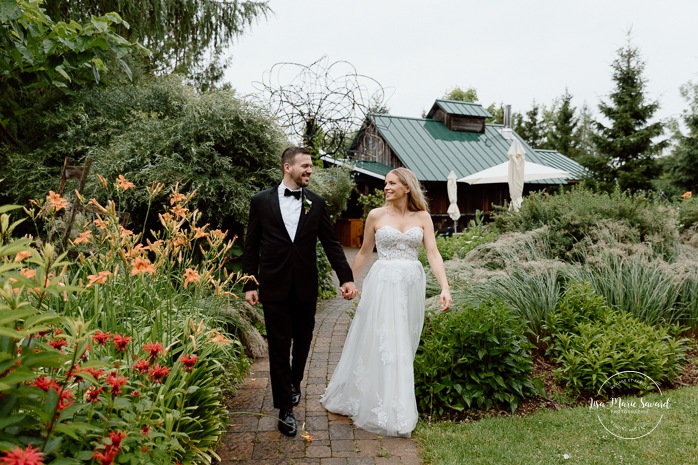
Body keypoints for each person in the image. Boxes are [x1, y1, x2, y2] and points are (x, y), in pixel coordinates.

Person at [320, 167, 452, 437]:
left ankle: (395, 401)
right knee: (385, 340)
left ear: (407, 187)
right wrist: (349, 281)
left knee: (405, 340)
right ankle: (385, 406)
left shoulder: (423, 216)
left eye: (392, 183)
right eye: (385, 184)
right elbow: (365, 252)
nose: (386, 188)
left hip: (411, 284)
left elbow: (433, 253)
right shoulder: (375, 215)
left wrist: (445, 287)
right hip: (382, 284)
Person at [242, 146, 358, 437]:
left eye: (310, 166)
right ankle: (284, 409)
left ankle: (295, 383)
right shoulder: (260, 201)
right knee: (279, 347)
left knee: (304, 340)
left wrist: (346, 278)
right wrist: (249, 283)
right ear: (287, 167)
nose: (309, 170)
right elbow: (251, 245)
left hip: (306, 286)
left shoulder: (316, 203)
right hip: (274, 285)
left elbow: (332, 244)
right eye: (304, 166)